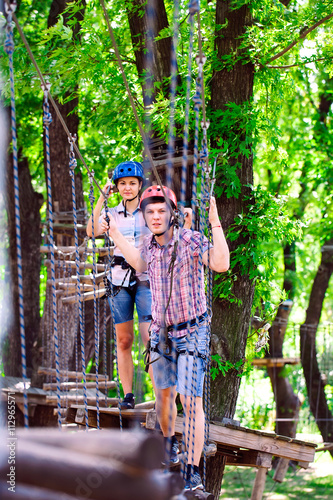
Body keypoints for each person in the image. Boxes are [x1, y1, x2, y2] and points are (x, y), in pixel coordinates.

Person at [104, 184, 230, 491]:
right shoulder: (148, 244)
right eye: (150, 212)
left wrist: (214, 222)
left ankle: (192, 471)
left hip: (191, 333)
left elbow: (220, 264)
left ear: (172, 214)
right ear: (145, 216)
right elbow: (139, 262)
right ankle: (168, 442)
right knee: (163, 398)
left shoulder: (190, 239)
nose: (156, 216)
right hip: (161, 335)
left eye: (162, 211)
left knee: (191, 400)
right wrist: (116, 235)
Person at [86, 160, 153, 409]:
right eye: (122, 184)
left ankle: (160, 393)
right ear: (116, 187)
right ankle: (127, 395)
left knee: (149, 338)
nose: (127, 188)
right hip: (119, 280)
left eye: (132, 183)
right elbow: (91, 231)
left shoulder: (150, 212)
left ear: (139, 186)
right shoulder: (111, 213)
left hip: (146, 281)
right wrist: (102, 199)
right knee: (124, 340)